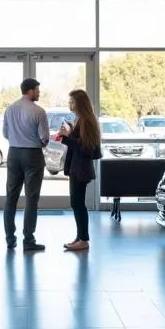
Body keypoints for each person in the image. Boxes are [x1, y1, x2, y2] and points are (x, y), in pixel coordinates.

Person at [2, 77, 49, 252]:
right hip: (33, 155)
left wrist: (17, 139)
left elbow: (5, 133)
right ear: (29, 91)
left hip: (13, 153)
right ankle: (28, 240)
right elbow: (44, 138)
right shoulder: (39, 111)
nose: (39, 93)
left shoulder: (10, 109)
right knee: (31, 198)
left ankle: (9, 239)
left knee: (11, 198)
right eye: (37, 90)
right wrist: (39, 142)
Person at [57, 89, 103, 251]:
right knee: (76, 203)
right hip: (77, 167)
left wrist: (66, 139)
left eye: (72, 101)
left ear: (80, 103)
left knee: (78, 203)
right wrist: (70, 132)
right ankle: (80, 237)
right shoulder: (81, 120)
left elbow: (87, 148)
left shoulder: (86, 121)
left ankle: (83, 239)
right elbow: (82, 141)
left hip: (81, 168)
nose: (69, 104)